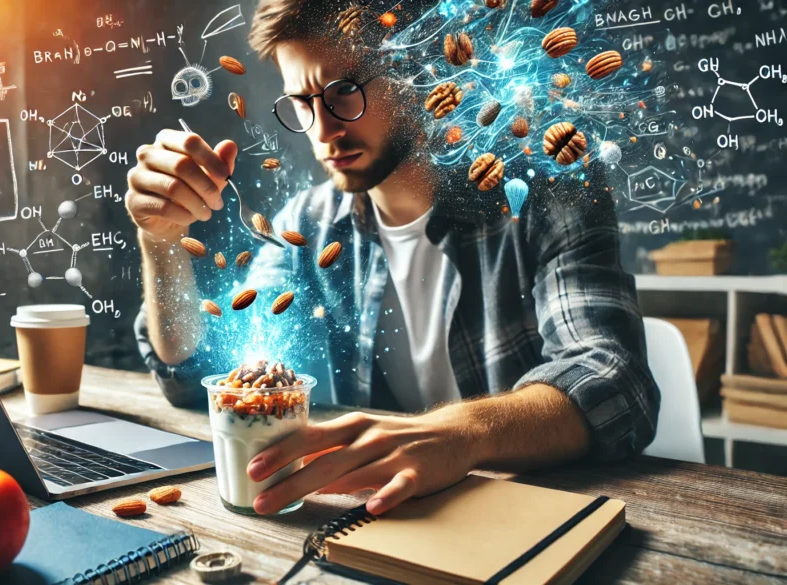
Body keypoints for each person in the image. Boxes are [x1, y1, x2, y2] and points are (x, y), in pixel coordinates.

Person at [126, 0, 660, 516]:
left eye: (343, 92)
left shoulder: (543, 194)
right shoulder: (308, 227)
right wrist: (161, 240)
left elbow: (614, 381)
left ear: (417, 72)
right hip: (374, 518)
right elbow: (199, 375)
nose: (324, 129)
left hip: (525, 517)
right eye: (302, 104)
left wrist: (460, 437)